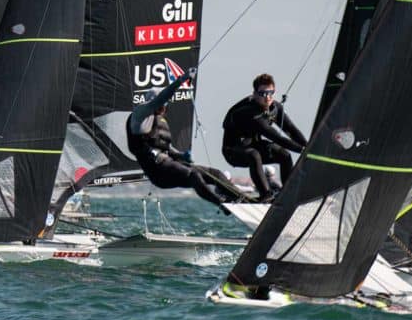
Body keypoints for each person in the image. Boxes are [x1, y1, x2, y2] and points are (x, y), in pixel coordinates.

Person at [126, 69, 241, 214]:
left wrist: (182, 155)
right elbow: (160, 99)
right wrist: (181, 80)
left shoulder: (160, 121)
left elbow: (168, 149)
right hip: (158, 173)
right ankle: (221, 204)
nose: (165, 107)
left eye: (167, 104)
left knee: (215, 174)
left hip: (170, 166)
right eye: (163, 103)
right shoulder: (140, 115)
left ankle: (240, 198)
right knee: (194, 176)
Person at [222, 73, 307, 202]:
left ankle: (287, 195)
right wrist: (304, 151)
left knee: (284, 155)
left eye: (270, 93)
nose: (267, 97)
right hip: (233, 151)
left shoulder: (275, 107)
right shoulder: (250, 113)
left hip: (254, 145)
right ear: (255, 94)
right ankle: (266, 195)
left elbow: (291, 131)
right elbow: (277, 138)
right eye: (263, 94)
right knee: (254, 155)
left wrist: (309, 145)